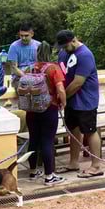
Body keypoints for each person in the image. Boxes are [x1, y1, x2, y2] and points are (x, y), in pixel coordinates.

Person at [55, 30, 103, 178]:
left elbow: (77, 83)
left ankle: (96, 166)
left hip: (85, 100)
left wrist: (62, 98)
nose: (63, 49)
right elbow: (60, 74)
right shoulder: (63, 53)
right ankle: (73, 162)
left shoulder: (85, 55)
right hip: (71, 100)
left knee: (90, 130)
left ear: (73, 40)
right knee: (73, 129)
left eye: (65, 45)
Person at [26, 42, 67, 185]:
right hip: (48, 109)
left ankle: (33, 172)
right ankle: (49, 176)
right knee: (47, 142)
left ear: (37, 53)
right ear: (50, 53)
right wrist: (63, 103)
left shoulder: (30, 68)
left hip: (31, 110)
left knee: (33, 141)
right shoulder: (53, 68)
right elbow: (60, 89)